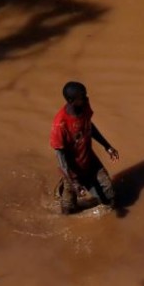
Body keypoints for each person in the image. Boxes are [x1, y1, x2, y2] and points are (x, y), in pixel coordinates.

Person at [51, 81, 119, 213]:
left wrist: (107, 146)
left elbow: (89, 126)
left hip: (89, 158)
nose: (86, 97)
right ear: (71, 100)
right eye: (82, 96)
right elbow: (61, 157)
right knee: (68, 211)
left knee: (110, 196)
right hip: (72, 168)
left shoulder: (84, 106)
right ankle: (64, 186)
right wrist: (73, 182)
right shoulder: (60, 124)